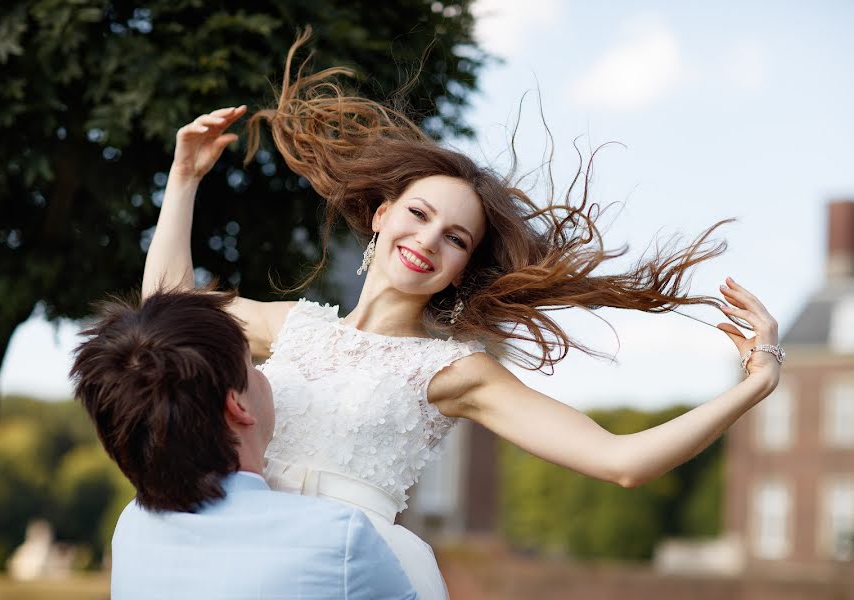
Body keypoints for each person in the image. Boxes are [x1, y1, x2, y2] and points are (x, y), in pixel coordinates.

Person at [142, 29, 784, 599]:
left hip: (349, 574)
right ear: (382, 214)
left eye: (455, 238)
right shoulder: (293, 327)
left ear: (461, 268)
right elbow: (163, 314)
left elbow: (621, 462)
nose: (427, 241)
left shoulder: (456, 372)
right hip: (249, 547)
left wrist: (757, 385)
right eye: (419, 215)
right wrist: (184, 178)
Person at [69, 288, 417, 600]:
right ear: (237, 405)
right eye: (252, 363)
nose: (263, 373)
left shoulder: (131, 529)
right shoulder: (342, 539)